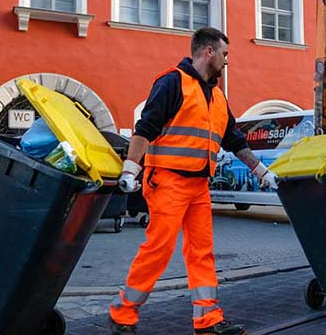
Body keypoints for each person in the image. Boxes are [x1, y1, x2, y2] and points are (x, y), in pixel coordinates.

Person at [108, 27, 279, 335]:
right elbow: (145, 128)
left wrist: (261, 171)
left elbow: (233, 139)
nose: (226, 61)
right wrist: (130, 169)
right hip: (167, 180)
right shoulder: (172, 82)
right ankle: (123, 313)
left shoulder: (217, 97)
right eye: (224, 54)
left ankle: (207, 320)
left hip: (199, 185)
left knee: (202, 251)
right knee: (158, 249)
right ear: (208, 52)